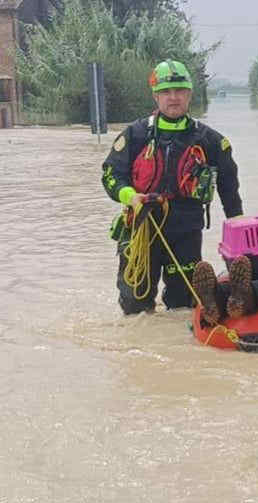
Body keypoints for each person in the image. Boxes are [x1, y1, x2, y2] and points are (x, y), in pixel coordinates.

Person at [102, 59, 242, 315]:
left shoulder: (212, 141)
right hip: (141, 226)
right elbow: (111, 175)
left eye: (179, 91)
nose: (173, 97)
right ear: (156, 96)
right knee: (135, 306)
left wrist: (240, 235)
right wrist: (131, 197)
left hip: (186, 232)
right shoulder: (134, 135)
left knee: (182, 307)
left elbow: (230, 191)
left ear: (189, 94)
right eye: (166, 92)